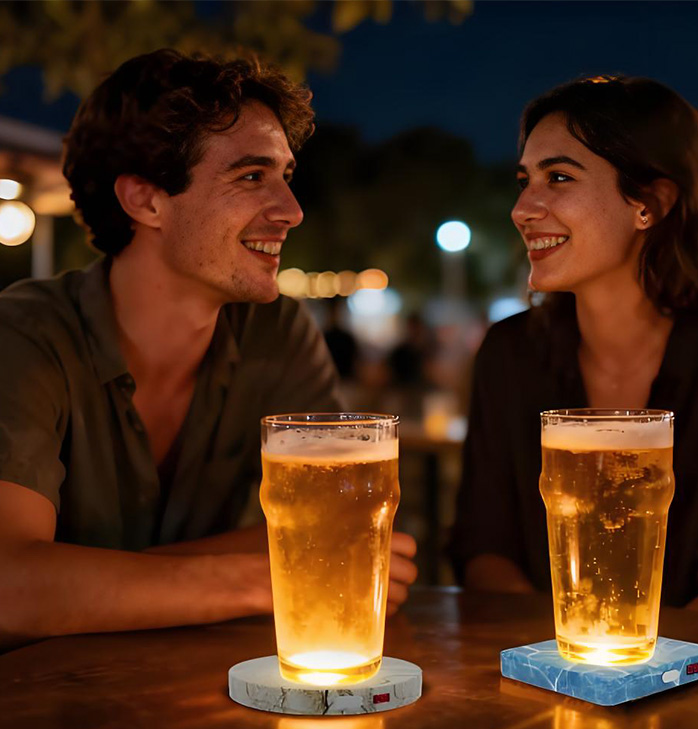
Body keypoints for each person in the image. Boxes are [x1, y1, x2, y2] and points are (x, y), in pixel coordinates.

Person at [0, 50, 416, 650]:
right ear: (145, 201)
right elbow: (12, 589)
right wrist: (267, 572)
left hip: (202, 699)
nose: (292, 212)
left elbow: (350, 537)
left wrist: (88, 576)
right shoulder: (27, 334)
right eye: (251, 177)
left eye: (285, 176)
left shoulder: (276, 333)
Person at [451, 76, 698, 624]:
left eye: (558, 177)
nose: (522, 208)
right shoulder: (510, 352)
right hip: (548, 679)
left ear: (652, 203)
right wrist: (567, 661)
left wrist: (639, 670)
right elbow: (482, 548)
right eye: (525, 180)